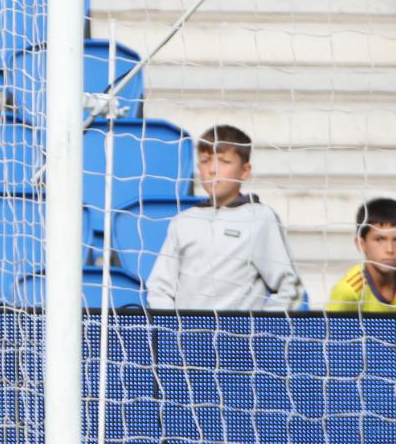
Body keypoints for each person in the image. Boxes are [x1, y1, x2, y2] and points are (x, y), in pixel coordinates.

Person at [145, 124, 303, 311]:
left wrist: (262, 328)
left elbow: (288, 287)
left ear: (245, 170)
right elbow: (159, 287)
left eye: (224, 162)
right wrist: (170, 331)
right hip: (186, 336)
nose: (212, 169)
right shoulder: (183, 221)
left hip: (238, 337)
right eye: (205, 161)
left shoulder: (259, 218)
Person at [325, 197, 396, 314]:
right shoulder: (349, 291)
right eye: (379, 239)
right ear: (361, 243)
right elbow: (329, 331)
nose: (390, 249)